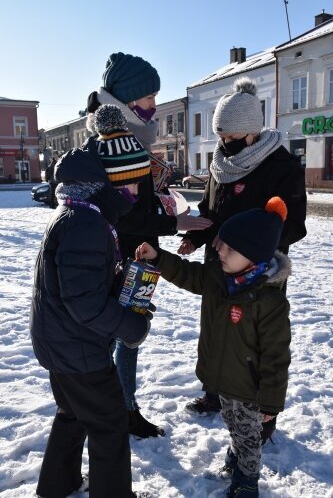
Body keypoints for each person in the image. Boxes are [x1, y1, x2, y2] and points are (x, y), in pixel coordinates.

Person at [85, 55, 213, 439]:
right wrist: (175, 221)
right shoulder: (113, 147)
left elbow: (138, 207)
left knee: (129, 334)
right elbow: (124, 215)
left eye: (156, 96)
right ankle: (113, 409)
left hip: (140, 254)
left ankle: (119, 407)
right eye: (147, 97)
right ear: (124, 101)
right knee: (119, 335)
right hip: (121, 257)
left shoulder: (131, 140)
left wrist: (164, 205)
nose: (154, 106)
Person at [136, 197, 292, 498]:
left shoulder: (268, 301)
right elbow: (187, 274)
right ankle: (238, 458)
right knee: (234, 425)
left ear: (254, 257)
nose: (219, 251)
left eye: (229, 249)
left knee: (248, 437)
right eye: (221, 244)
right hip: (223, 380)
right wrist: (158, 257)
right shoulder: (219, 277)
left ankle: (247, 483)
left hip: (250, 388)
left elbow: (276, 356)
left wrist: (271, 403)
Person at [178, 77, 306, 429]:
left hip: (256, 273)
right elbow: (210, 209)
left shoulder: (282, 168)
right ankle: (215, 390)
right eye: (220, 137)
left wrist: (254, 247)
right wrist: (197, 239)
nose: (224, 144)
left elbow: (293, 224)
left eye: (231, 139)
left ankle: (263, 411)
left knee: (257, 340)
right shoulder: (220, 165)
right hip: (218, 263)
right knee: (217, 328)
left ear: (252, 132)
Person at [29, 147, 153, 498]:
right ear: (102, 185)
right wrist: (132, 327)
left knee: (72, 414)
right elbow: (83, 302)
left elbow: (78, 285)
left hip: (61, 343)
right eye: (126, 186)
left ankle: (58, 483)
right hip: (78, 350)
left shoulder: (76, 215)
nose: (132, 194)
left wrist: (122, 287)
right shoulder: (85, 224)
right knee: (110, 425)